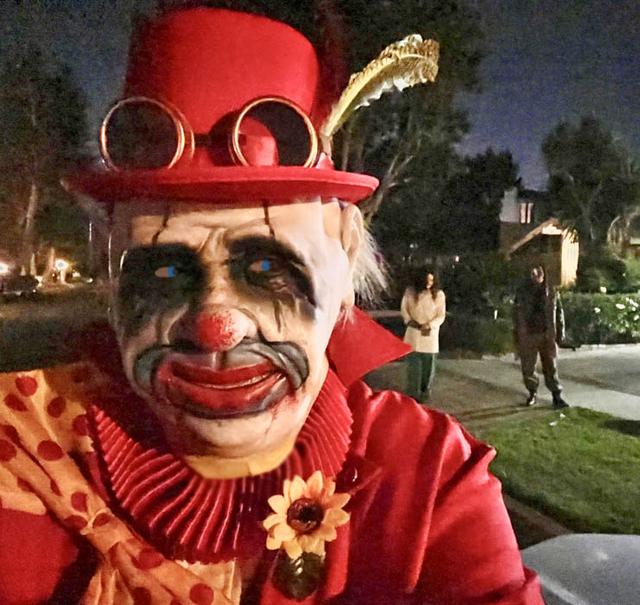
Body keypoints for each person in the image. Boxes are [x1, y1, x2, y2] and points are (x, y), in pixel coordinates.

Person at [0, 7, 543, 604]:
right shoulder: (22, 453)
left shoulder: (428, 473)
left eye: (265, 269)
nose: (218, 326)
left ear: (343, 259)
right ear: (109, 270)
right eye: (164, 271)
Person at [513, 264, 570, 408]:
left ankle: (556, 396)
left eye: (538, 271)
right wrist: (517, 338)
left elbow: (559, 313)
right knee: (528, 368)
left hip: (547, 334)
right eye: (532, 272)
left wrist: (560, 334)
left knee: (551, 366)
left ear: (543, 274)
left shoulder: (551, 292)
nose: (535, 274)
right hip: (529, 335)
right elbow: (516, 316)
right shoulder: (522, 292)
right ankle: (532, 393)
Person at [400, 268, 446, 400]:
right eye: (427, 280)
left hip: (430, 336)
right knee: (413, 366)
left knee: (428, 368)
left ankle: (425, 392)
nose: (429, 283)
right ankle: (412, 393)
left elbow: (441, 315)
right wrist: (409, 321)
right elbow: (404, 309)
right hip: (413, 334)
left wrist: (430, 325)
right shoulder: (410, 292)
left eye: (431, 280)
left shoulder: (439, 295)